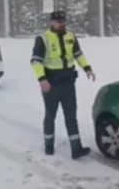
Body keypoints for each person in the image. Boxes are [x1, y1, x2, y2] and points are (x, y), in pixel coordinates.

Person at [30, 10, 96, 160]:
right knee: (50, 115)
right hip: (51, 84)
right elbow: (36, 61)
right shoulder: (43, 39)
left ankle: (76, 148)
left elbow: (78, 55)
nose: (62, 23)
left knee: (71, 116)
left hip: (68, 83)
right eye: (58, 21)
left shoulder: (70, 36)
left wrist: (87, 69)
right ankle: (49, 146)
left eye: (63, 20)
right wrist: (42, 79)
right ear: (51, 22)